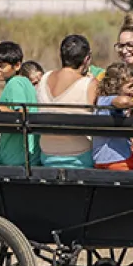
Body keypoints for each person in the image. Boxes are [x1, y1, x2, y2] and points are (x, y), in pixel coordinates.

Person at [36, 35, 98, 169]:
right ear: (87, 59)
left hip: (47, 156)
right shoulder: (89, 84)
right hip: (80, 157)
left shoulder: (44, 78)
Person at [0, 41, 39, 166]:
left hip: (16, 158)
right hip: (26, 156)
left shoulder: (15, 84)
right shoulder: (24, 82)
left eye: (1, 66)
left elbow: (22, 115)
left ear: (17, 65)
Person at [93, 63, 133, 171]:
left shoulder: (102, 102)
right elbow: (124, 101)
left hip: (102, 160)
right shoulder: (107, 101)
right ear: (116, 86)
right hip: (117, 160)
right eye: (130, 86)